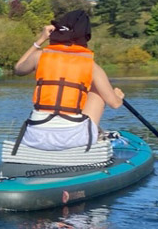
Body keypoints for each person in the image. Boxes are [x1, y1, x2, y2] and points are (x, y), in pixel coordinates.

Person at [11, 10, 124, 151]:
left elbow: (18, 69)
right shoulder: (92, 66)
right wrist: (118, 96)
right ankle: (94, 134)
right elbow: (114, 104)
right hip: (74, 140)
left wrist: (39, 40)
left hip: (34, 137)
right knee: (97, 90)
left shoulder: (39, 57)